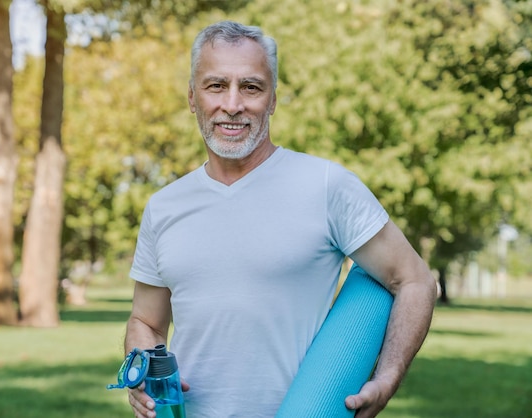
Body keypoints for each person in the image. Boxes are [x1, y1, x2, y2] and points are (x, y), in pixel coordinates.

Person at [124, 20, 437, 418]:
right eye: (216, 86)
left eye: (251, 87)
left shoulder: (327, 186)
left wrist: (388, 377)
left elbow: (415, 280)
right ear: (192, 97)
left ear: (272, 99)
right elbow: (145, 321)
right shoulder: (164, 206)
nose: (233, 105)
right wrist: (143, 374)